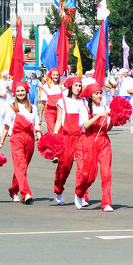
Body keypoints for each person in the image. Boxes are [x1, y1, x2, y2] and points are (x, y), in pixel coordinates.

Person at [0, 80, 41, 204]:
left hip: (30, 139)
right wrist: (1, 142)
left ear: (26, 92)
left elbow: (36, 123)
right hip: (16, 138)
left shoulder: (33, 107)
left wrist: (40, 137)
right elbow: (6, 126)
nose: (20, 93)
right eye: (18, 91)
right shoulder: (11, 107)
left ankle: (13, 190)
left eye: (22, 91)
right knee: (20, 165)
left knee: (22, 167)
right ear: (14, 93)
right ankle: (25, 193)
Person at [78, 82, 114, 211]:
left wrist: (114, 120)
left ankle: (106, 202)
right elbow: (85, 125)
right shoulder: (85, 108)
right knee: (90, 174)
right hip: (89, 141)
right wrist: (98, 115)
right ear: (90, 96)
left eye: (100, 93)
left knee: (106, 173)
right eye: (96, 93)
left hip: (104, 141)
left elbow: (107, 128)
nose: (99, 95)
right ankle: (80, 193)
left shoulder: (106, 107)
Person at [52, 76, 85, 207]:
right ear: (70, 87)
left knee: (83, 168)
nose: (78, 88)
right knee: (64, 167)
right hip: (66, 138)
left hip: (81, 138)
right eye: (75, 85)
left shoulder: (84, 102)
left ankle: (82, 195)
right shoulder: (62, 101)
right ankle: (58, 189)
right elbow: (59, 120)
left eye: (79, 86)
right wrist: (54, 137)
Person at [39, 69, 63, 135]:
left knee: (59, 132)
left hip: (60, 112)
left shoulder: (61, 87)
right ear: (51, 76)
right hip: (50, 112)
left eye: (57, 75)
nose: (55, 76)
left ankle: (59, 145)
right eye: (54, 75)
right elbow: (43, 104)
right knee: (52, 131)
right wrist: (40, 116)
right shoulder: (46, 87)